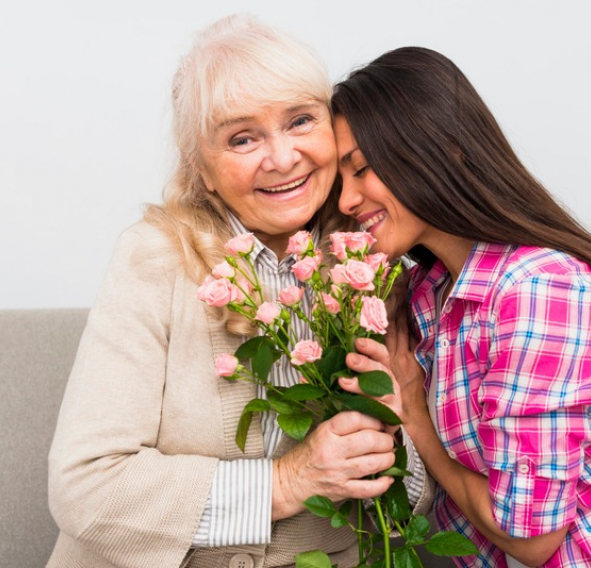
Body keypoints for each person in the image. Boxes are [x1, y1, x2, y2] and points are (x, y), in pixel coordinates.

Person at [333, 47, 591, 567]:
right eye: (340, 181)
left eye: (361, 170)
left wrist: (417, 418)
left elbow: (531, 539)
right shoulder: (432, 296)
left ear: (441, 150)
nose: (347, 201)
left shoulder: (537, 289)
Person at [47, 16, 432, 568]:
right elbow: (85, 487)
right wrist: (287, 482)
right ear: (201, 168)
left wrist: (393, 450)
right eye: (242, 138)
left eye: (300, 121)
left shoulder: (371, 262)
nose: (280, 158)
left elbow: (417, 506)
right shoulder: (153, 257)